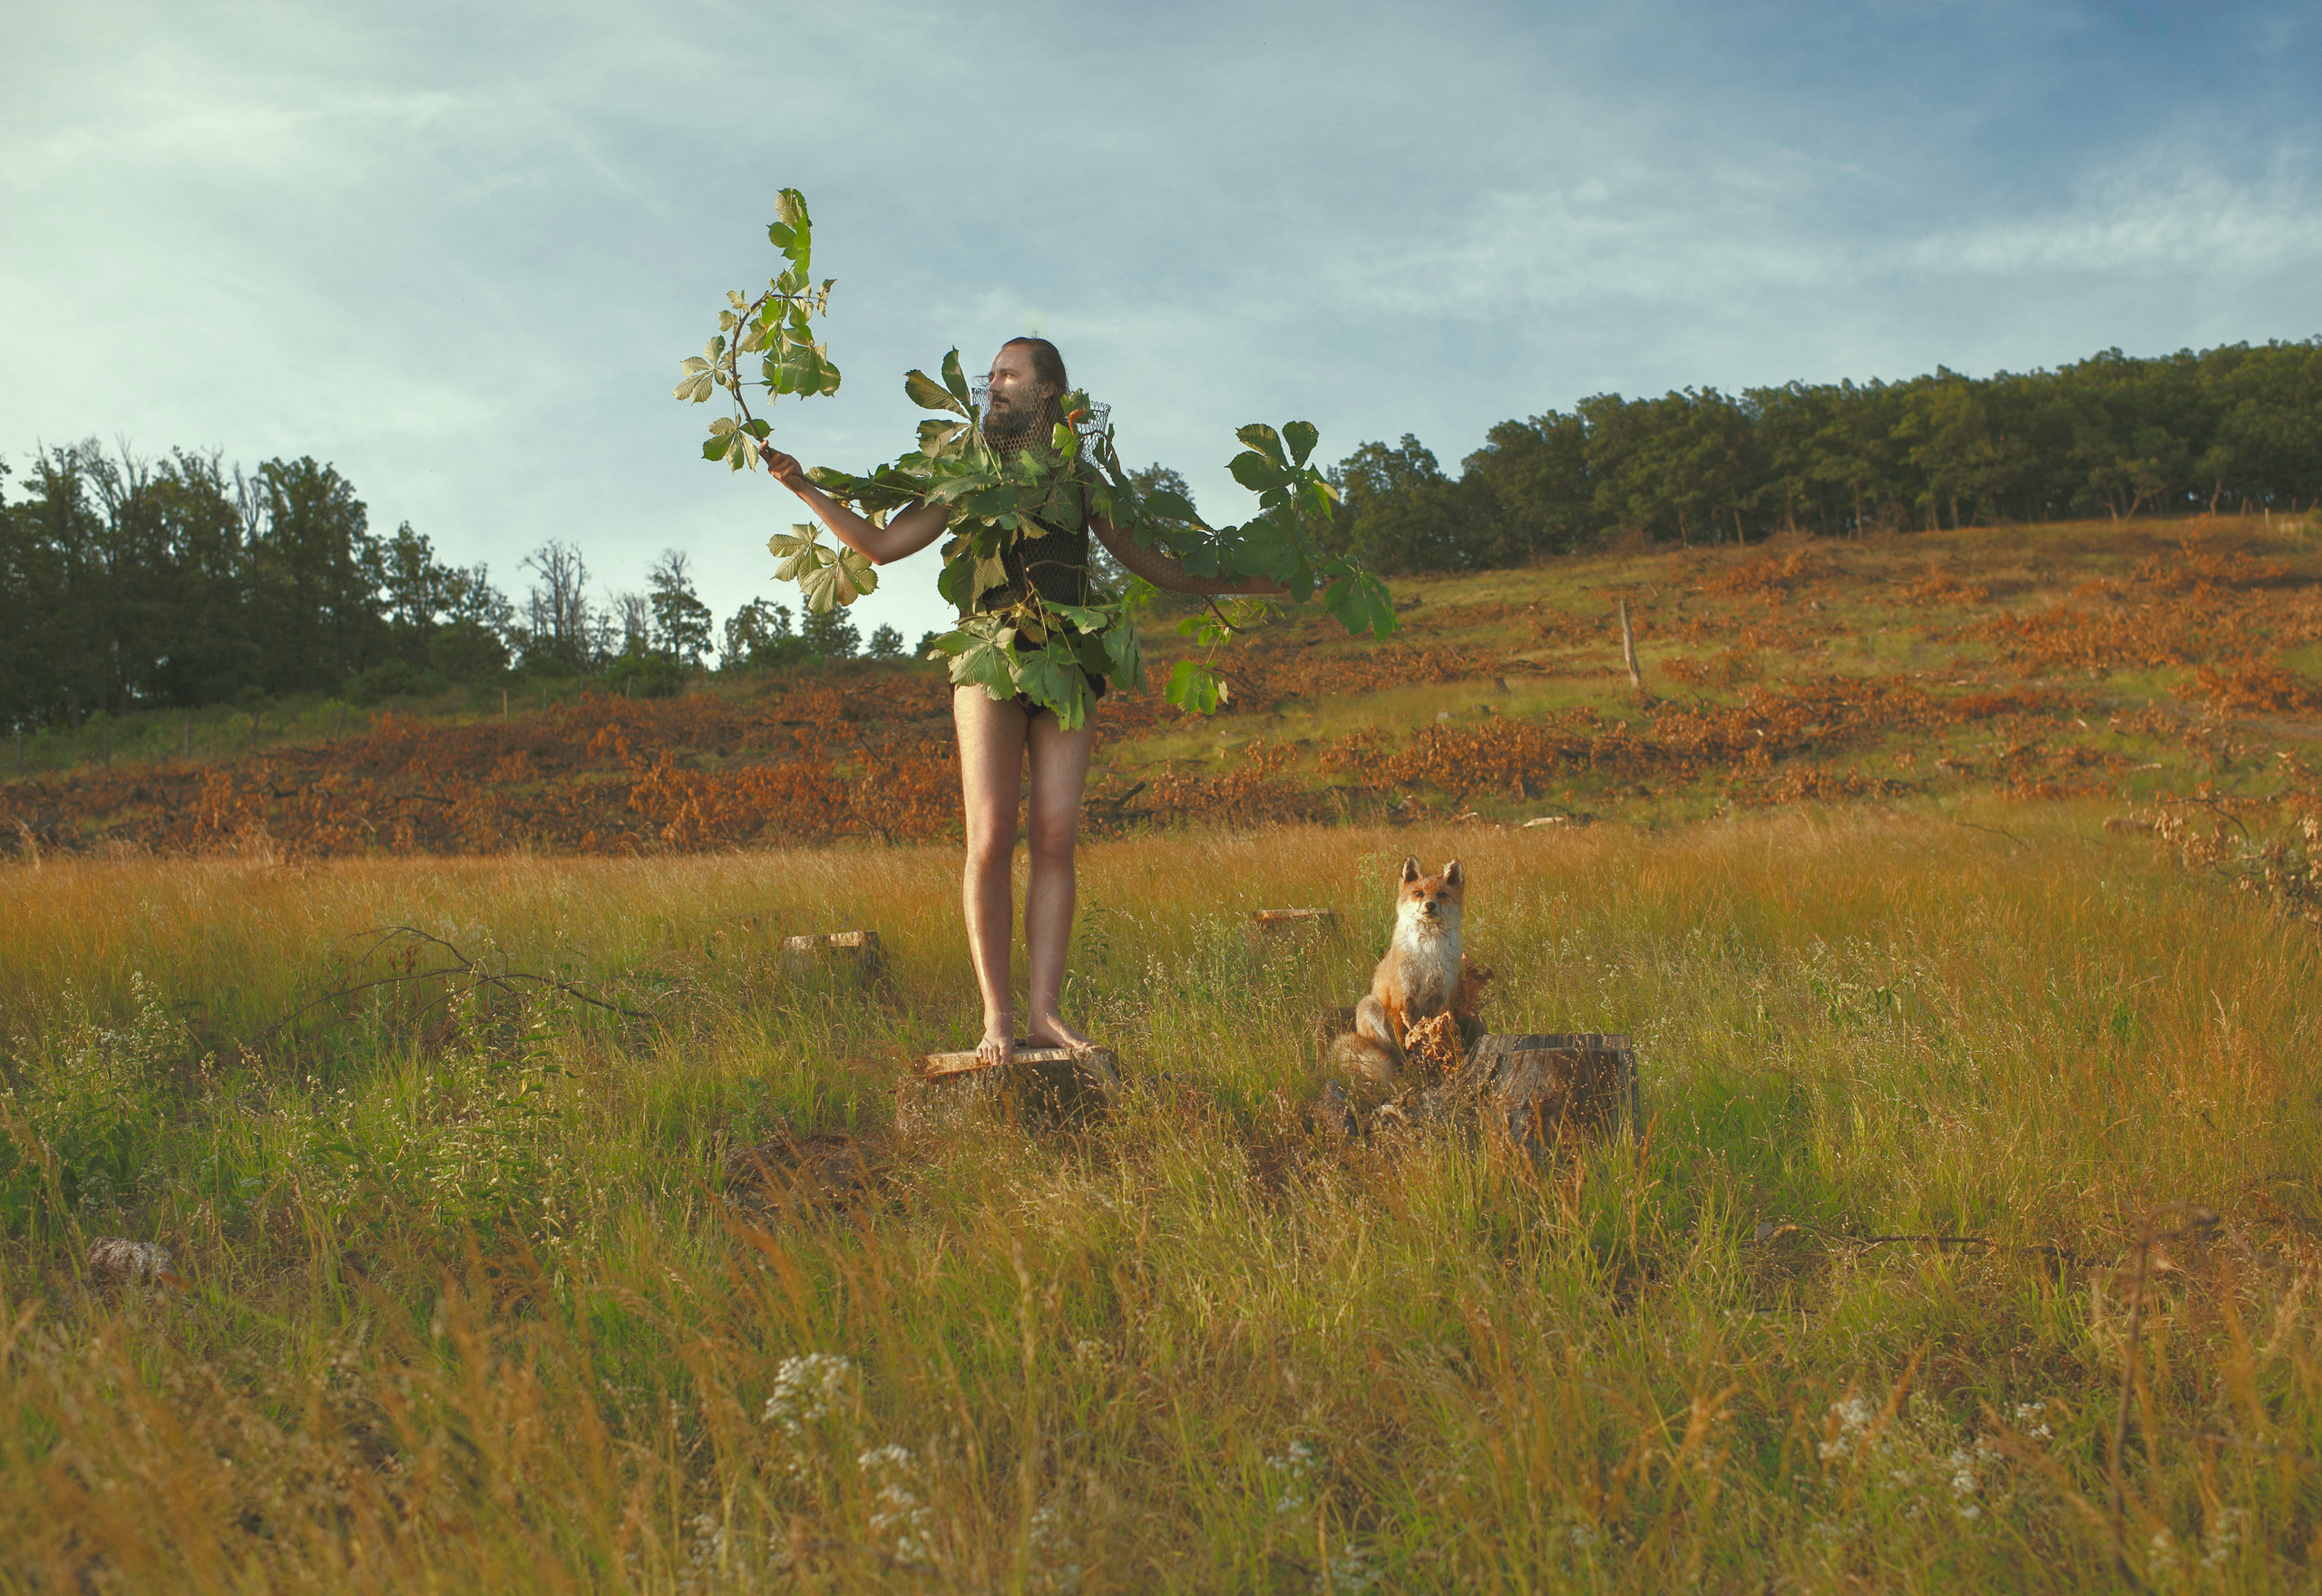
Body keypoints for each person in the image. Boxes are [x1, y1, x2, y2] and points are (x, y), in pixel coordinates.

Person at [759, 337, 1280, 1068]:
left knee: (1058, 836)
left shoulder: (1080, 477)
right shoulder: (966, 473)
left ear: (1049, 392)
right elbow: (881, 545)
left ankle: (1045, 1013)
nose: (992, 385)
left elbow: (1157, 564)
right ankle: (996, 1016)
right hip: (989, 658)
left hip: (1067, 659)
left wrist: (1261, 583)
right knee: (991, 837)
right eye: (990, 375)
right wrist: (802, 487)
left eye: (1007, 374)